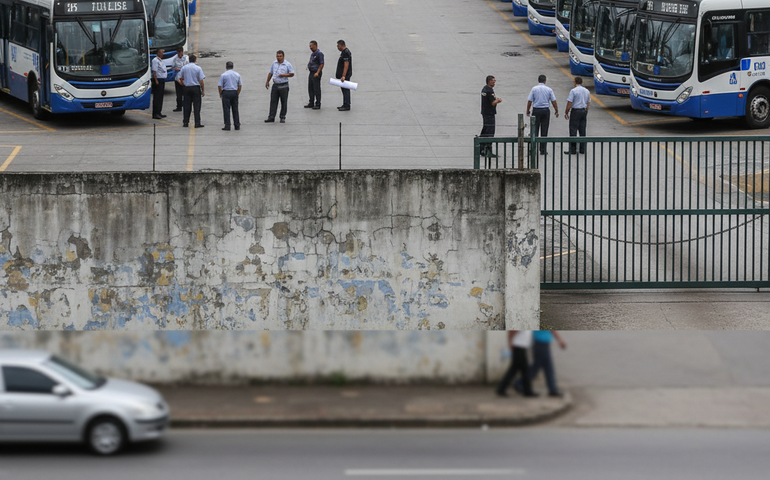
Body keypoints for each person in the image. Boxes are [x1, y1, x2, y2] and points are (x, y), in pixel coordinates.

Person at [495, 331, 537, 398]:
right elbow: (512, 331)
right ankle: (527, 391)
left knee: (518, 370)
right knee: (522, 370)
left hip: (521, 347)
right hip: (519, 347)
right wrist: (510, 342)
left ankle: (502, 388)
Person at [527, 330, 567, 397]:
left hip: (541, 343)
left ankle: (552, 389)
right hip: (541, 343)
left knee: (547, 367)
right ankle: (521, 383)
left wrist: (559, 340)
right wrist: (560, 340)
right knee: (537, 367)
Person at [526, 75, 559, 155]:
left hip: (536, 110)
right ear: (545, 81)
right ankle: (543, 150)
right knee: (544, 130)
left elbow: (530, 101)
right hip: (545, 111)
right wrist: (556, 110)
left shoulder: (534, 89)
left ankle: (533, 149)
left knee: (534, 130)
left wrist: (527, 110)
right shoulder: (549, 89)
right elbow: (553, 101)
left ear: (538, 80)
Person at [265, 50, 295, 123]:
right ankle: (271, 117)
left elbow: (292, 73)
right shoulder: (274, 63)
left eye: (280, 56)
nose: (279, 58)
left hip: (284, 85)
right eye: (277, 56)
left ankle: (282, 117)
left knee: (283, 102)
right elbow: (271, 72)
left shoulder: (287, 64)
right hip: (275, 85)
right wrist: (267, 81)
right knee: (273, 102)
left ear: (283, 56)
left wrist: (284, 75)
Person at [564, 76, 591, 155]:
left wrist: (566, 112)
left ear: (575, 82)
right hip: (583, 110)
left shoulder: (573, 91)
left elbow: (570, 102)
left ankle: (573, 149)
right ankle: (582, 149)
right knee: (582, 130)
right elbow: (588, 102)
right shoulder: (586, 91)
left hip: (575, 111)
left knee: (573, 130)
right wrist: (586, 111)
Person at [178, 54, 206, 128]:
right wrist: (203, 90)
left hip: (187, 88)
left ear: (189, 60)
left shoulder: (184, 68)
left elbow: (180, 78)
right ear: (195, 60)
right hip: (195, 88)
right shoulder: (198, 68)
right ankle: (197, 123)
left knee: (186, 106)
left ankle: (185, 122)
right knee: (197, 106)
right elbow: (201, 81)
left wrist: (183, 84)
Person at [480, 75, 502, 158]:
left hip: (485, 113)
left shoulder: (484, 89)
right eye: (493, 80)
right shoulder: (489, 91)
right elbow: (492, 103)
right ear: (489, 81)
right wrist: (498, 101)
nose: (494, 82)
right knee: (490, 132)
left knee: (485, 130)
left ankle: (481, 148)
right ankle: (488, 150)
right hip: (489, 114)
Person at [218, 61, 242, 131]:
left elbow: (220, 86)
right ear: (232, 67)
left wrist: (220, 94)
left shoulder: (223, 75)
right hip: (234, 92)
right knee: (235, 109)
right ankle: (237, 125)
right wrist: (237, 93)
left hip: (226, 92)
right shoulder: (237, 75)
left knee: (226, 109)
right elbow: (240, 85)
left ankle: (227, 125)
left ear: (226, 67)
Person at [306, 41, 324, 109]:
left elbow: (322, 64)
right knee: (310, 87)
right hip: (311, 72)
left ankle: (318, 103)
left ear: (316, 46)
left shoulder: (319, 54)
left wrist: (317, 72)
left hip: (316, 73)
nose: (310, 47)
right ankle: (311, 102)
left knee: (316, 88)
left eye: (312, 46)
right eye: (310, 46)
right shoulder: (313, 54)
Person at [335, 40, 352, 111]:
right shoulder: (344, 52)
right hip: (343, 75)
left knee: (346, 90)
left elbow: (346, 64)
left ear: (342, 45)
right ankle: (345, 103)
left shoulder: (346, 53)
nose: (337, 47)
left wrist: (343, 76)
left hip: (345, 76)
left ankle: (347, 104)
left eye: (338, 46)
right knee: (344, 89)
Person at [170, 47, 189, 112]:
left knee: (185, 93)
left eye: (181, 52)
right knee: (178, 93)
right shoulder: (175, 59)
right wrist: (175, 68)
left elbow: (188, 66)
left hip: (184, 78)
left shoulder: (186, 58)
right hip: (177, 78)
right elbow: (173, 66)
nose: (180, 53)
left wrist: (181, 69)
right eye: (178, 52)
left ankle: (185, 105)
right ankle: (179, 106)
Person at [151, 48, 167, 119]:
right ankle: (155, 113)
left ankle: (159, 112)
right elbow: (154, 71)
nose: (162, 54)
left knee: (160, 97)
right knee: (157, 97)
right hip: (158, 80)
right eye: (161, 52)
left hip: (162, 80)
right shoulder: (155, 60)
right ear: (158, 53)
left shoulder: (160, 60)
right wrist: (156, 80)